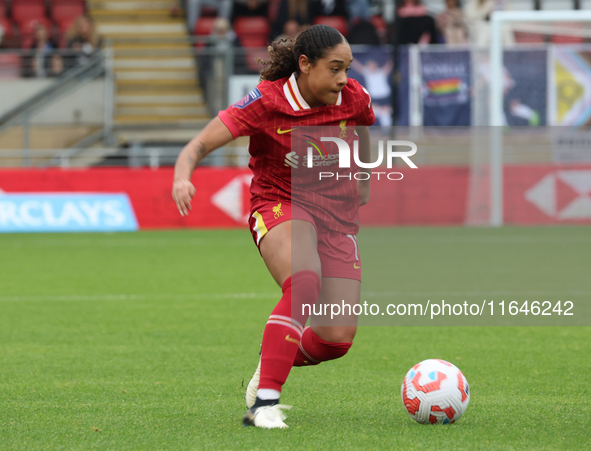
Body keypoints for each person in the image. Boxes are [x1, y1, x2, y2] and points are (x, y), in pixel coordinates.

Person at [172, 24, 375, 429]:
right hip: (281, 203)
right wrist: (182, 175)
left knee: (336, 339)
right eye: (335, 68)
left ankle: (274, 354)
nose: (343, 79)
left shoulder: (352, 97)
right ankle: (264, 404)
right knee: (304, 281)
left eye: (347, 68)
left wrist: (365, 176)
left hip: (336, 216)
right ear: (305, 64)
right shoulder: (265, 102)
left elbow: (363, 124)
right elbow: (197, 145)